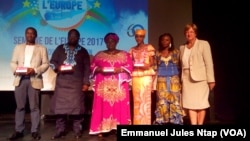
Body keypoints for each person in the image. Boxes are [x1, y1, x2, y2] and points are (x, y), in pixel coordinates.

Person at [9, 27, 49, 140]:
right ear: (25, 35)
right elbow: (13, 62)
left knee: (34, 107)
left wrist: (35, 70)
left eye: (32, 33)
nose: (30, 35)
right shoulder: (18, 47)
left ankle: (35, 131)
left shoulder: (41, 48)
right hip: (20, 79)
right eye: (28, 33)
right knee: (20, 107)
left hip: (34, 79)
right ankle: (19, 130)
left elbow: (46, 64)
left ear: (36, 35)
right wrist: (16, 69)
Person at [89, 32, 133, 136]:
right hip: (103, 87)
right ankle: (102, 128)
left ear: (116, 42)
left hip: (119, 87)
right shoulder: (99, 55)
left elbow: (130, 66)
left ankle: (119, 128)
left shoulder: (124, 54)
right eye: (108, 42)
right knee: (103, 106)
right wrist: (99, 69)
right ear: (105, 43)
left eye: (112, 41)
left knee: (119, 106)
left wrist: (120, 69)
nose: (110, 43)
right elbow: (92, 66)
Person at [49, 29, 90, 139]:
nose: (73, 38)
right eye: (71, 36)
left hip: (77, 85)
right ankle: (60, 130)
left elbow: (87, 68)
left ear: (78, 38)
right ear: (67, 37)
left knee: (77, 109)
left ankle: (77, 130)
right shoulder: (60, 49)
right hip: (62, 83)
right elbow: (52, 62)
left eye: (75, 36)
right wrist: (58, 68)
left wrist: (86, 83)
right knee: (60, 109)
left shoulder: (83, 51)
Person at [179, 23, 216, 125]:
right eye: (186, 32)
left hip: (200, 79)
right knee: (190, 104)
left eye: (191, 32)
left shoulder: (204, 44)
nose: (188, 34)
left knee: (201, 104)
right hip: (186, 79)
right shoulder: (182, 47)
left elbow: (209, 63)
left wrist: (211, 79)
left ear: (195, 33)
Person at [154, 33, 185, 125]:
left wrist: (180, 80)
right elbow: (155, 67)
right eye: (163, 40)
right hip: (161, 80)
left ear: (170, 41)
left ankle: (175, 120)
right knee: (161, 100)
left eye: (167, 40)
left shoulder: (176, 52)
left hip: (174, 80)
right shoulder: (157, 53)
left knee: (175, 100)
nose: (165, 41)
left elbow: (180, 66)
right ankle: (162, 120)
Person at [129, 29, 156, 125]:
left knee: (145, 100)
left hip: (146, 75)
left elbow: (152, 62)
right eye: (136, 36)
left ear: (144, 37)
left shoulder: (149, 47)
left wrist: (147, 65)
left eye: (140, 36)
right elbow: (130, 62)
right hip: (136, 75)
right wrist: (134, 65)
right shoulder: (132, 49)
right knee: (137, 101)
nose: (138, 38)